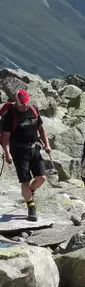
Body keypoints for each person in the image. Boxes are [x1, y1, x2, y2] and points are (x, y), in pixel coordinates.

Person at [1, 90, 51, 221]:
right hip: (19, 152)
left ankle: (29, 191)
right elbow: (5, 138)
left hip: (35, 148)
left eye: (26, 102)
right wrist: (7, 154)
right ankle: (31, 207)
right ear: (17, 101)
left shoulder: (33, 110)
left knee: (42, 178)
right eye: (22, 103)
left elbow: (41, 128)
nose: (25, 105)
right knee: (25, 181)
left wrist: (47, 144)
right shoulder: (10, 116)